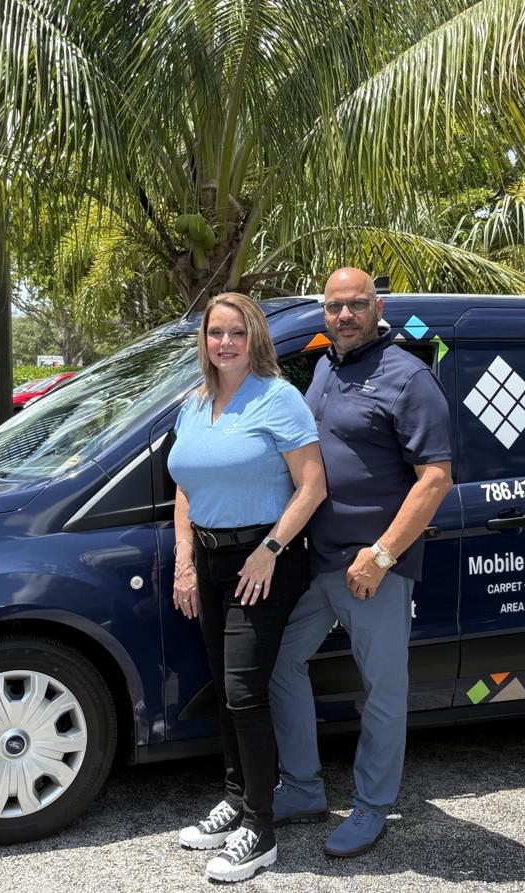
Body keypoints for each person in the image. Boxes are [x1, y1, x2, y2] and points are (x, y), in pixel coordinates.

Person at [269, 267, 453, 857]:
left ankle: (373, 807)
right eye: (333, 306)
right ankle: (301, 788)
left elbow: (435, 479)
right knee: (278, 664)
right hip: (318, 562)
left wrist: (381, 554)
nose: (343, 316)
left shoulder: (409, 377)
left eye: (355, 305)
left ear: (377, 308)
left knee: (383, 691)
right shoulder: (326, 367)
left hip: (372, 569)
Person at [167, 292, 326, 883]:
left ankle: (260, 830)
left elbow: (312, 487)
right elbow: (186, 486)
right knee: (225, 685)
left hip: (264, 561)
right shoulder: (195, 403)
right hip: (207, 562)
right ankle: (236, 801)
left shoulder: (279, 399)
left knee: (243, 692)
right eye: (216, 333)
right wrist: (185, 560)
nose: (225, 343)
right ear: (204, 340)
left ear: (254, 339)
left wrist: (269, 551)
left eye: (237, 333)